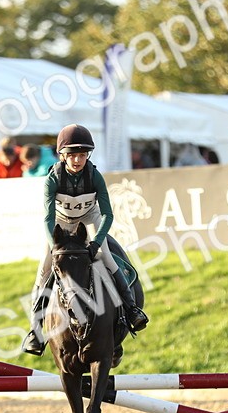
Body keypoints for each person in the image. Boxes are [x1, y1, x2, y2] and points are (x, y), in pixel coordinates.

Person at [21, 123, 149, 356]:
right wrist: (55, 246)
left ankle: (131, 310)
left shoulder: (94, 176)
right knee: (44, 269)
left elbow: (108, 215)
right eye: (72, 155)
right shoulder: (52, 179)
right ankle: (35, 330)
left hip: (89, 220)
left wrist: (97, 243)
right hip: (60, 223)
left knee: (108, 259)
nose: (77, 160)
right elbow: (48, 219)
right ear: (63, 155)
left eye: (82, 155)